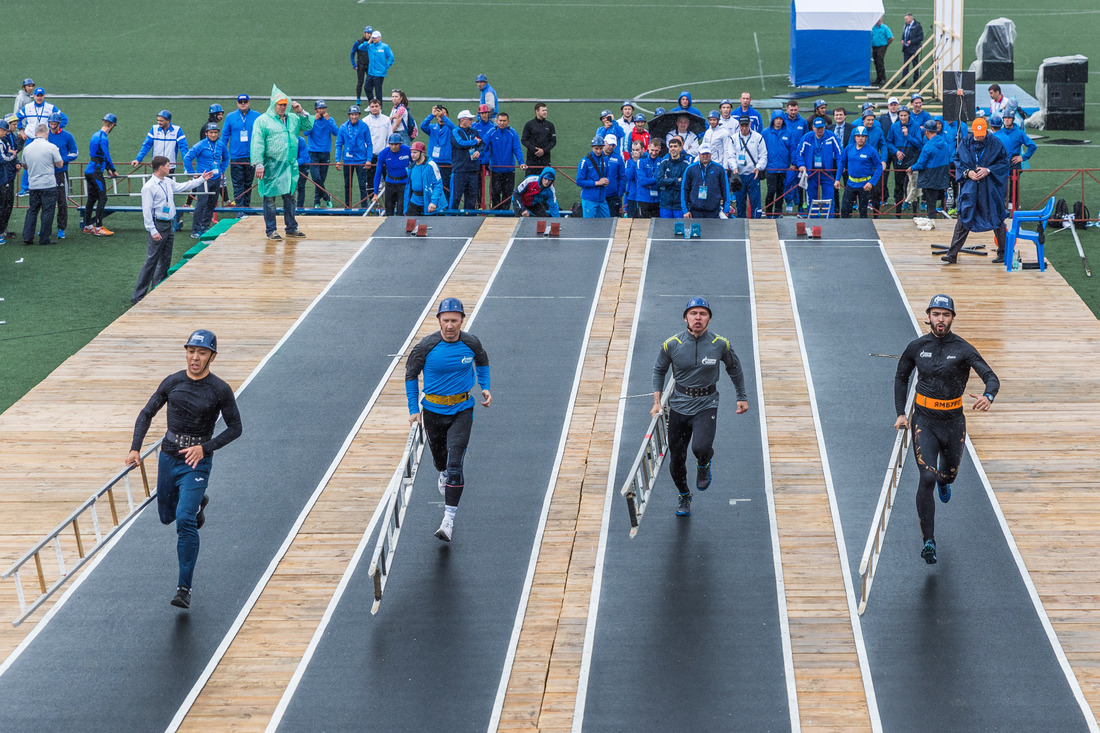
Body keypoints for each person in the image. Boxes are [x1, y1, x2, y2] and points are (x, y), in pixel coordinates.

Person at [126, 328, 243, 609]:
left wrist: (205, 448)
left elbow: (236, 428)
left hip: (197, 461)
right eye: (191, 351)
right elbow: (146, 413)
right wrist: (135, 448)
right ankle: (198, 502)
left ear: (211, 357)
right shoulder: (173, 382)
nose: (195, 357)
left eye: (201, 352)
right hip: (169, 457)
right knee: (167, 516)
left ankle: (184, 588)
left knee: (184, 520)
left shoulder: (220, 389)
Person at [893, 294, 998, 564]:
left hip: (953, 423)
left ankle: (945, 481)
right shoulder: (917, 346)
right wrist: (901, 414)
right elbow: (901, 376)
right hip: (924, 421)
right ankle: (929, 541)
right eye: (936, 314)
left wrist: (989, 395)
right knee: (926, 477)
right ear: (928, 316)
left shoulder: (963, 349)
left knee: (946, 476)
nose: (941, 319)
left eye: (946, 315)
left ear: (952, 318)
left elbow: (990, 376)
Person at [651, 297, 748, 516]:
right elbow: (659, 370)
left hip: (706, 404)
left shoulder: (720, 344)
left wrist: (741, 396)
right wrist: (657, 402)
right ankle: (684, 495)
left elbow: (735, 369)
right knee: (676, 460)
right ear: (686, 317)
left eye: (703, 314)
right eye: (693, 313)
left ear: (709, 320)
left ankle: (703, 464)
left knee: (701, 448)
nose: (698, 318)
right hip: (679, 406)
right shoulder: (672, 344)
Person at [405, 298, 491, 542]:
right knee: (441, 463)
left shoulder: (471, 343)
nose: (450, 325)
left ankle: (448, 520)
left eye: (455, 320)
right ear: (439, 321)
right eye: (446, 321)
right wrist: (414, 410)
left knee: (455, 465)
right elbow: (411, 375)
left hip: (462, 410)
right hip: (433, 412)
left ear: (462, 320)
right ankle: (443, 472)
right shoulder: (425, 347)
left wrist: (485, 387)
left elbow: (483, 362)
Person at [135, 157, 212, 300]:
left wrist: (202, 179)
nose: (170, 167)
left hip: (169, 225)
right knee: (151, 261)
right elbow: (146, 211)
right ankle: (138, 295)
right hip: (158, 226)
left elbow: (184, 186)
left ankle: (157, 290)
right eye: (168, 165)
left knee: (165, 259)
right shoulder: (149, 187)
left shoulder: (168, 182)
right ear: (160, 168)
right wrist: (153, 230)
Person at [941, 117, 1010, 264]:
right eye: (977, 135)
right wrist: (967, 172)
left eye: (982, 135)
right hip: (971, 187)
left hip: (989, 187)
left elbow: (1004, 162)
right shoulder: (965, 142)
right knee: (964, 215)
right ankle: (952, 254)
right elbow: (957, 159)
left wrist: (989, 170)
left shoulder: (995, 143)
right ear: (973, 131)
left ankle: (1004, 253)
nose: (979, 137)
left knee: (996, 217)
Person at [250, 87, 313, 241]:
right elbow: (257, 142)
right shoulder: (262, 121)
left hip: (289, 166)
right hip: (271, 166)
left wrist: (300, 111)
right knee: (270, 199)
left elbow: (308, 126)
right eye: (280, 104)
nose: (283, 107)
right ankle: (271, 230)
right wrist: (258, 163)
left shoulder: (293, 118)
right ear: (273, 104)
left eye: (285, 104)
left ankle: (291, 227)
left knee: (291, 196)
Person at [182, 123, 229, 238]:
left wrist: (221, 169)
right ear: (206, 133)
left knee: (212, 203)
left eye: (216, 132)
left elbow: (226, 157)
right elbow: (187, 157)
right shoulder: (200, 145)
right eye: (211, 132)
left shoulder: (220, 145)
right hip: (203, 180)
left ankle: (205, 226)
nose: (213, 134)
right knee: (201, 204)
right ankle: (195, 230)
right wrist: (192, 173)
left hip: (216, 178)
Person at [20, 124, 63, 246]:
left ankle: (27, 236)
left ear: (35, 133)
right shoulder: (51, 147)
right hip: (48, 184)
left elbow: (25, 165)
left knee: (32, 210)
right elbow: (59, 164)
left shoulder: (27, 148)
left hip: (33, 185)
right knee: (47, 211)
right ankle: (44, 238)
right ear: (47, 133)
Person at [82, 114, 119, 237]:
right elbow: (106, 155)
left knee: (92, 198)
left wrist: (107, 168)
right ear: (112, 125)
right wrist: (113, 169)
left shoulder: (95, 134)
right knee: (103, 198)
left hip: (91, 170)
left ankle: (88, 226)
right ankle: (98, 227)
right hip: (95, 173)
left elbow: (99, 155)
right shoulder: (103, 138)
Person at [797, 118, 842, 215]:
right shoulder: (806, 137)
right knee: (812, 199)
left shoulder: (831, 136)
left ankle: (828, 221)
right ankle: (813, 222)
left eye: (822, 128)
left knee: (829, 199)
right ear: (813, 128)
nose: (820, 130)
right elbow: (799, 153)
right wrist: (801, 165)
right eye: (817, 128)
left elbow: (839, 154)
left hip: (827, 174)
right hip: (811, 173)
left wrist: (839, 170)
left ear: (825, 127)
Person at [222, 94, 261, 208]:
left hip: (252, 156)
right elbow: (225, 136)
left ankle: (246, 208)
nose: (243, 104)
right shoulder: (230, 117)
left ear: (249, 102)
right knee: (238, 184)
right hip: (236, 156)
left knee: (248, 184)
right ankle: (240, 210)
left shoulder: (257, 116)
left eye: (245, 101)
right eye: (240, 102)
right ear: (237, 103)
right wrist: (221, 152)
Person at [728, 115, 768, 218]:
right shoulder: (733, 138)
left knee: (756, 203)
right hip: (739, 175)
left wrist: (758, 167)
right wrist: (734, 167)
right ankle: (741, 225)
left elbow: (763, 155)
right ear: (739, 125)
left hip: (753, 174)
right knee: (740, 203)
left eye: (746, 125)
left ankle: (756, 224)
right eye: (742, 125)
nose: (744, 128)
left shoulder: (758, 137)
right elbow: (730, 155)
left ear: (750, 125)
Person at [991, 114, 1035, 207]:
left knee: (1014, 185)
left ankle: (1013, 205)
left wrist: (1023, 157)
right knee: (1000, 183)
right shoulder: (1001, 131)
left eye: (1009, 118)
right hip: (1002, 160)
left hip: (1014, 161)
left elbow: (1032, 146)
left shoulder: (1019, 133)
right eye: (1005, 118)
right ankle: (1002, 204)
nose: (1007, 120)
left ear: (1013, 119)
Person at [839, 126, 883, 219]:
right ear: (854, 137)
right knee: (844, 209)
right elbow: (842, 163)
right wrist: (837, 179)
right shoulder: (849, 148)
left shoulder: (871, 150)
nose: (860, 138)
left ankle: (864, 231)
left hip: (864, 186)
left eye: (863, 136)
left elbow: (879, 167)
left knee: (863, 211)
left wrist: (871, 182)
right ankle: (845, 229)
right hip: (850, 184)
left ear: (866, 137)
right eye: (858, 136)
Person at [46, 113, 78, 240]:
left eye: (55, 124)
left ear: (59, 124)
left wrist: (61, 160)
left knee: (62, 201)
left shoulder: (67, 136)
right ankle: (45, 227)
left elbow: (75, 153)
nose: (52, 126)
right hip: (47, 173)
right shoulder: (46, 135)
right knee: (47, 201)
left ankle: (61, 228)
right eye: (51, 124)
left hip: (61, 173)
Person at [485, 112, 526, 209]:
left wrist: (521, 162)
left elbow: (517, 149)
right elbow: (483, 145)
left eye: (504, 121)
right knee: (495, 193)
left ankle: (505, 215)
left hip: (509, 170)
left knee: (507, 194)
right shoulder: (491, 132)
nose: (502, 123)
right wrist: (480, 157)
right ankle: (496, 214)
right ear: (496, 121)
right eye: (500, 121)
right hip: (495, 170)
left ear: (508, 121)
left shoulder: (512, 133)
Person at [911, 119, 951, 218]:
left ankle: (932, 221)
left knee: (930, 204)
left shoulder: (927, 146)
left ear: (926, 131)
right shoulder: (945, 144)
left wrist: (911, 168)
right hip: (942, 177)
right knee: (941, 202)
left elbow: (920, 164)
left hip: (930, 178)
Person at [336, 105, 373, 209]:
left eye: (356, 114)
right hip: (347, 161)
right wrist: (338, 160)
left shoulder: (364, 126)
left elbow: (369, 144)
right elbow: (338, 144)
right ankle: (347, 206)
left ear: (359, 115)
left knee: (362, 185)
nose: (354, 117)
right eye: (352, 114)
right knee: (347, 185)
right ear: (349, 115)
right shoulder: (343, 127)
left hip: (361, 160)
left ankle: (364, 207)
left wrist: (369, 159)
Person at [886, 107, 921, 213]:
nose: (903, 118)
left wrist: (908, 135)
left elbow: (919, 144)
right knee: (899, 186)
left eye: (905, 115)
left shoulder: (915, 126)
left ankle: (915, 212)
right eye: (901, 115)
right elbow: (889, 142)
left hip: (912, 160)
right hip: (899, 161)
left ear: (909, 115)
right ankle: (898, 212)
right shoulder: (894, 126)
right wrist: (896, 152)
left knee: (913, 185)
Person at [681, 144, 730, 219]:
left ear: (710, 154)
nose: (705, 156)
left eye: (707, 154)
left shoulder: (719, 169)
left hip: (714, 211)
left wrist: (726, 209)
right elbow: (685, 189)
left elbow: (725, 189)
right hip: (695, 211)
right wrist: (685, 210)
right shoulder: (690, 169)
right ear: (699, 154)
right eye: (703, 154)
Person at [762, 111, 796, 217]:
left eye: (780, 119)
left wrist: (793, 163)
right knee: (771, 191)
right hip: (771, 168)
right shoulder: (765, 132)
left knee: (780, 192)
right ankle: (768, 212)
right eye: (776, 119)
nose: (778, 121)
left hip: (783, 168)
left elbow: (792, 149)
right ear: (773, 120)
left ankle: (777, 212)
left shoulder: (788, 132)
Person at [305, 100, 339, 208]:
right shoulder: (311, 119)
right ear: (316, 110)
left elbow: (336, 132)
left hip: (325, 153)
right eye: (320, 108)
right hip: (313, 152)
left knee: (321, 179)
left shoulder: (329, 119)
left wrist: (328, 120)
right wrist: (312, 121)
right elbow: (305, 132)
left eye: (323, 108)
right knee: (316, 178)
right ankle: (326, 197)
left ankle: (317, 201)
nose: (322, 110)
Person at [449, 110, 483, 210]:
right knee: (455, 198)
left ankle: (470, 220)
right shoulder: (455, 131)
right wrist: (474, 142)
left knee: (471, 198)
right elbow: (460, 143)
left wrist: (478, 151)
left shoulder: (474, 131)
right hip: (459, 170)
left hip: (472, 170)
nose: (472, 121)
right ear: (462, 120)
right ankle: (451, 219)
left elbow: (482, 143)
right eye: (469, 119)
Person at [421, 105, 456, 200]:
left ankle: (446, 211)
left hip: (446, 164)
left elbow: (455, 130)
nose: (440, 116)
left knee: (446, 188)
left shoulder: (450, 129)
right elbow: (422, 126)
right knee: (431, 187)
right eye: (439, 114)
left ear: (447, 116)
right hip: (433, 163)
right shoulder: (432, 128)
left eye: (443, 114)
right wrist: (431, 115)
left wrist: (444, 118)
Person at [373, 133, 411, 215]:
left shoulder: (408, 150)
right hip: (390, 184)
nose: (393, 147)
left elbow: (417, 161)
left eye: (396, 144)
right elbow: (378, 173)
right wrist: (375, 193)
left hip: (403, 184)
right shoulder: (383, 154)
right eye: (391, 144)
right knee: (389, 210)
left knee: (401, 210)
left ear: (400, 144)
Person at [404, 141, 445, 215]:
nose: (412, 155)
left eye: (415, 152)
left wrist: (433, 202)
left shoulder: (431, 165)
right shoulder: (411, 167)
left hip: (428, 202)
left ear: (422, 153)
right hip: (414, 201)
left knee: (428, 226)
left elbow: (438, 185)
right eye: (411, 152)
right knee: (410, 225)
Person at [656, 137, 692, 218]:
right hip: (665, 204)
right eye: (671, 146)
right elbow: (659, 182)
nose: (673, 149)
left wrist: (667, 182)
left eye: (675, 146)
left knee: (679, 229)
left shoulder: (686, 165)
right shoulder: (664, 163)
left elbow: (684, 184)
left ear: (680, 148)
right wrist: (676, 180)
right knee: (665, 229)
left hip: (679, 205)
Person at [783, 101, 810, 211]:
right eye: (791, 110)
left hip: (799, 158)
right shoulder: (782, 120)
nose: (793, 112)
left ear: (798, 109)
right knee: (787, 182)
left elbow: (807, 139)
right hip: (786, 157)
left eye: (795, 110)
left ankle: (800, 206)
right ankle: (788, 202)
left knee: (801, 183)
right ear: (787, 109)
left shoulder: (803, 122)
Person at [576, 135, 610, 218]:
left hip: (602, 199)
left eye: (601, 148)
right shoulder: (585, 161)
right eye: (596, 149)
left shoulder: (605, 159)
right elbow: (579, 181)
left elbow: (607, 175)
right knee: (589, 226)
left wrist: (607, 180)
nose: (598, 151)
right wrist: (597, 183)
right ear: (592, 147)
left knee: (607, 224)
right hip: (589, 199)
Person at [364, 98, 390, 199]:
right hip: (371, 156)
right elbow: (364, 140)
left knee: (387, 177)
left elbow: (389, 136)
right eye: (372, 107)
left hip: (383, 155)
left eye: (376, 106)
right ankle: (371, 200)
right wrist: (367, 155)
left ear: (380, 107)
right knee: (370, 179)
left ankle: (389, 200)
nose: (374, 109)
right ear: (369, 108)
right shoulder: (365, 121)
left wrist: (387, 151)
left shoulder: (386, 119)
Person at [521, 102, 555, 173]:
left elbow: (553, 141)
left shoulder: (550, 125)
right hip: (531, 160)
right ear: (537, 111)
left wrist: (543, 150)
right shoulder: (529, 124)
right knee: (531, 182)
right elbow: (524, 140)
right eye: (543, 110)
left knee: (546, 181)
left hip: (545, 160)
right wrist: (534, 150)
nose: (545, 112)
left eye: (546, 110)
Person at [0, 122, 19, 244]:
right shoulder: (1, 143)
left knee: (5, 205)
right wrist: (12, 155)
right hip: (2, 179)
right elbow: (3, 159)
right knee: (2, 206)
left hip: (4, 178)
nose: (6, 133)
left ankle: (3, 231)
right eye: (4, 130)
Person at [350, 26, 373, 104]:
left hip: (370, 65)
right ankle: (358, 98)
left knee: (370, 83)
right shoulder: (358, 42)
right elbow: (352, 53)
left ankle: (370, 99)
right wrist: (354, 64)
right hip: (361, 65)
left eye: (370, 33)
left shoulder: (373, 43)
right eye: (368, 33)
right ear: (364, 33)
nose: (369, 35)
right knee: (360, 82)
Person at [901, 13, 924, 86]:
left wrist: (912, 41)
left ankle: (916, 80)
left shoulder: (917, 26)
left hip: (914, 49)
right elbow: (904, 33)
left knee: (915, 65)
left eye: (906, 19)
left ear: (911, 19)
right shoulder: (906, 25)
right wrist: (902, 39)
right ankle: (903, 80)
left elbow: (921, 37)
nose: (905, 20)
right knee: (905, 65)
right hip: (906, 48)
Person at [871, 16, 893, 86]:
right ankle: (878, 78)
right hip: (874, 47)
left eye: (879, 20)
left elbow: (891, 38)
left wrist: (886, 45)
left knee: (880, 62)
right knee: (876, 62)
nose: (878, 21)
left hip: (881, 46)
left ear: (882, 19)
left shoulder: (885, 28)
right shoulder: (873, 28)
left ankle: (882, 78)